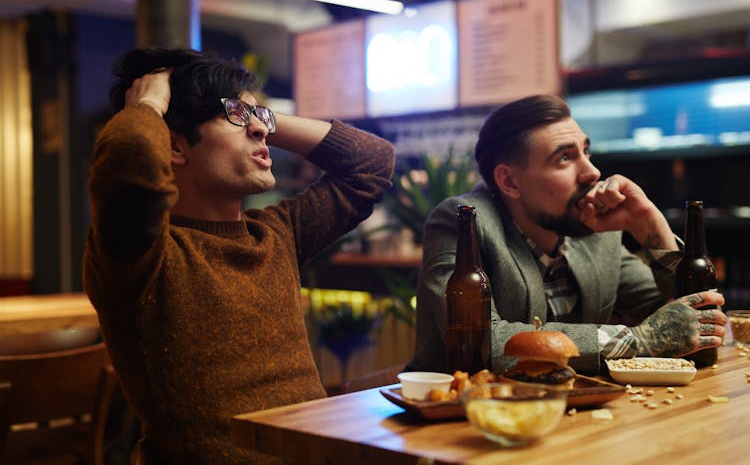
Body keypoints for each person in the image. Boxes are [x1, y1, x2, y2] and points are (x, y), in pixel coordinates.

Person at [83, 47, 394, 463]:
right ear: (175, 146)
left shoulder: (276, 234)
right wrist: (148, 104)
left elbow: (371, 162)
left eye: (259, 120)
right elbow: (129, 165)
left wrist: (258, 117)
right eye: (234, 117)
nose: (261, 132)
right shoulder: (142, 257)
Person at [408, 94, 726, 375]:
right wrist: (636, 340)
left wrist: (650, 227)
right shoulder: (463, 223)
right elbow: (483, 342)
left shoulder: (594, 231)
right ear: (510, 182)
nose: (592, 172)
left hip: (568, 415)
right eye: (564, 157)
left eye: (585, 152)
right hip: (457, 421)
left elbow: (689, 320)